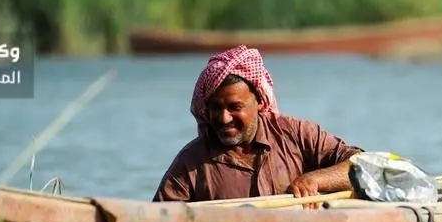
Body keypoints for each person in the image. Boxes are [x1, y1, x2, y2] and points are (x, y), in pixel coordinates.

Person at [152, 45, 363, 203]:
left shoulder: (297, 135)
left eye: (234, 107)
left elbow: (362, 165)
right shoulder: (190, 164)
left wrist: (315, 180)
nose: (224, 118)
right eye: (216, 108)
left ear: (260, 101)